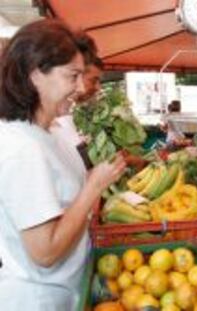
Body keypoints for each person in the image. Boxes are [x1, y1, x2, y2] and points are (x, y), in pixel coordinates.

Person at [0, 20, 126, 310]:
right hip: (39, 299)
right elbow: (45, 253)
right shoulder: (21, 148)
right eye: (73, 76)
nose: (81, 88)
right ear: (35, 75)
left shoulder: (52, 132)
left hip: (66, 289)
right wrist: (93, 186)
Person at [50, 33, 104, 184]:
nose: (80, 88)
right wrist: (96, 183)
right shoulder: (25, 139)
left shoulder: (64, 117)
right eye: (74, 76)